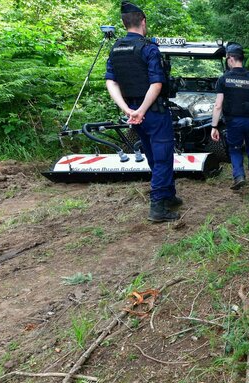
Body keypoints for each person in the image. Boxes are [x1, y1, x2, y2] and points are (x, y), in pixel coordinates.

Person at [105, 1, 181, 222]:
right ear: (143, 22)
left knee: (152, 155)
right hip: (154, 113)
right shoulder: (148, 48)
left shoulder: (116, 49)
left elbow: (111, 82)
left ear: (123, 22)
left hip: (135, 114)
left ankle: (169, 195)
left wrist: (128, 109)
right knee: (163, 156)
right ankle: (158, 206)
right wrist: (142, 110)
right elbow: (156, 84)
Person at [211, 44, 249, 190]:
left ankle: (239, 176)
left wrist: (214, 126)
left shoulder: (223, 79)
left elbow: (218, 105)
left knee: (234, 148)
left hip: (233, 122)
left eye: (227, 59)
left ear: (231, 59)